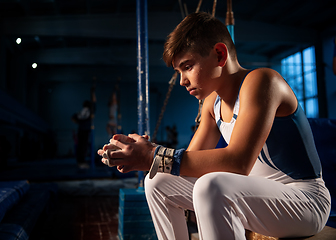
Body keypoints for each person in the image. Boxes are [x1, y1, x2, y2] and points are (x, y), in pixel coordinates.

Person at [98, 12, 331, 240]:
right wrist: (143, 151)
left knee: (211, 185)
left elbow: (238, 162)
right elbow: (189, 161)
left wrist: (153, 156)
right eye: (179, 71)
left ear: (220, 55)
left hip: (304, 200)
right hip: (253, 193)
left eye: (187, 66)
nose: (182, 81)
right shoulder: (212, 103)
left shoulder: (263, 81)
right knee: (158, 180)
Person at [72, 86, 96, 169]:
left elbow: (74, 117)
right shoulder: (87, 111)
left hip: (82, 130)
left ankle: (81, 161)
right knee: (83, 147)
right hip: (84, 130)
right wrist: (92, 92)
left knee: (82, 146)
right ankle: (81, 162)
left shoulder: (83, 111)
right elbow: (94, 103)